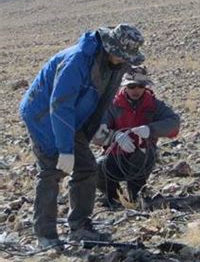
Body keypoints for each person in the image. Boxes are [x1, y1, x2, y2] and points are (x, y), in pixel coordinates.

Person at [19, 23, 146, 248]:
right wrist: (66, 149)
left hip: (71, 119)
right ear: (110, 47)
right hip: (43, 116)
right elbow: (60, 105)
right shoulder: (77, 60)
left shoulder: (115, 63)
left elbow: (101, 100)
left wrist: (94, 130)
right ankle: (46, 235)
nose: (124, 60)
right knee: (52, 170)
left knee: (87, 167)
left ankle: (80, 226)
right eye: (122, 55)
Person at [93, 66, 180, 207]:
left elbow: (174, 124)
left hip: (142, 156)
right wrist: (115, 136)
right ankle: (115, 198)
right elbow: (95, 133)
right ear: (125, 87)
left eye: (140, 86)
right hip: (115, 156)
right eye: (132, 86)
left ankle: (135, 196)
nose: (136, 90)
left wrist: (150, 129)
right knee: (96, 167)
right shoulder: (112, 105)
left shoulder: (154, 105)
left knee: (143, 156)